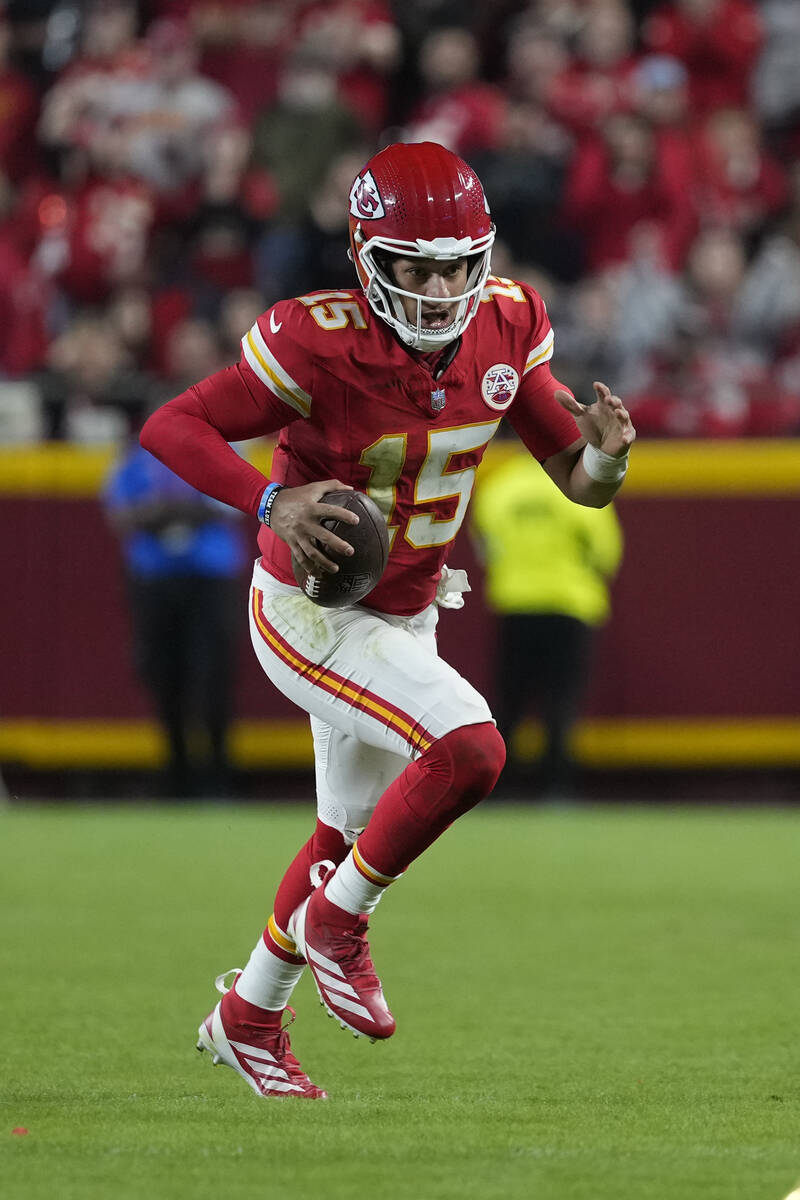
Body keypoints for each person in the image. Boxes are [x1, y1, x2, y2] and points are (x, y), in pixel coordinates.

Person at [140, 140, 636, 1100]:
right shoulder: (314, 337)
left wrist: (608, 461)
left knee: (344, 836)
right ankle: (339, 922)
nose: (443, 284)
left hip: (409, 614)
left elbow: (576, 478)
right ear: (370, 258)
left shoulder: (508, 322)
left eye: (458, 262)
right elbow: (173, 424)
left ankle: (247, 1016)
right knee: (471, 750)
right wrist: (268, 501)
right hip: (311, 609)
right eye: (417, 264)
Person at [472, 446, 624, 798]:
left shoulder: (501, 488)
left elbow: (486, 546)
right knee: (561, 700)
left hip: (515, 603)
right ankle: (556, 788)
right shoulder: (580, 487)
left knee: (509, 701)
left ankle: (498, 788)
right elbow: (606, 553)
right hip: (571, 605)